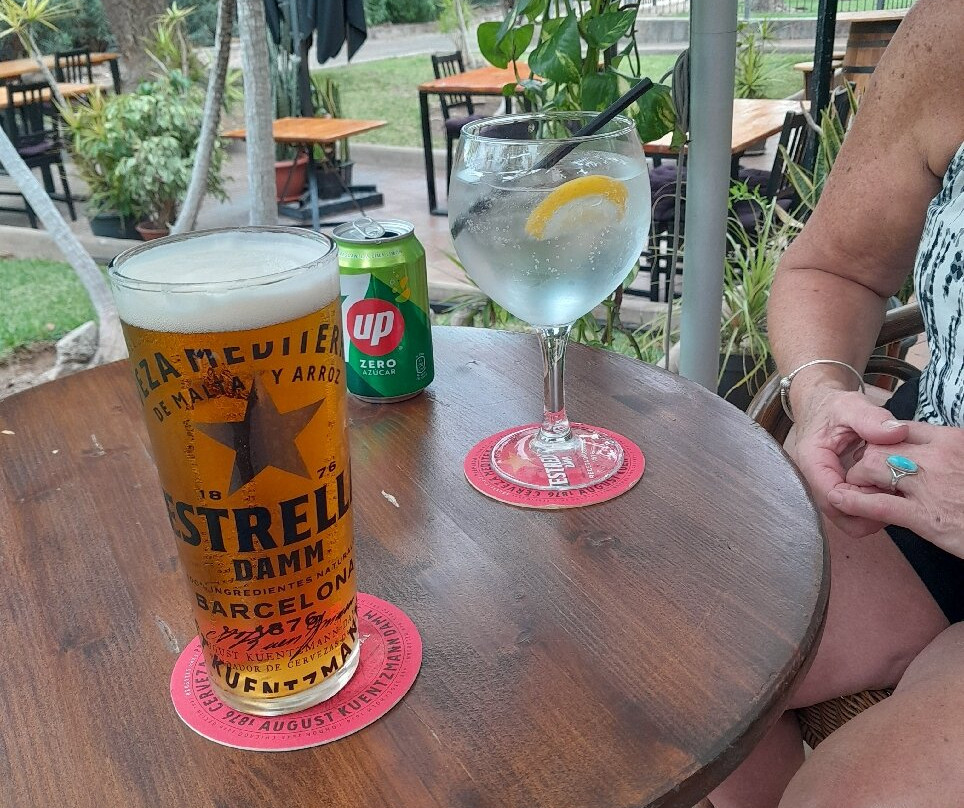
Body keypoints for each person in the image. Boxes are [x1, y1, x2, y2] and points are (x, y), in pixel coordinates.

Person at [707, 1, 964, 806]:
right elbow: (835, 269)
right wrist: (822, 396)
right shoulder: (952, 34)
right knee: (668, 656)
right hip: (921, 483)